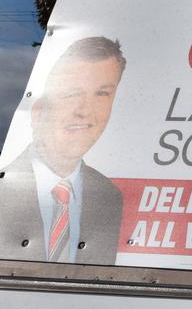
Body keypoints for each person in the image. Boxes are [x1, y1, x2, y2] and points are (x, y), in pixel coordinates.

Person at [0, 36, 126, 265]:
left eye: (102, 94)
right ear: (37, 112)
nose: (85, 111)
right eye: (71, 94)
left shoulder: (110, 197)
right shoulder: (3, 189)